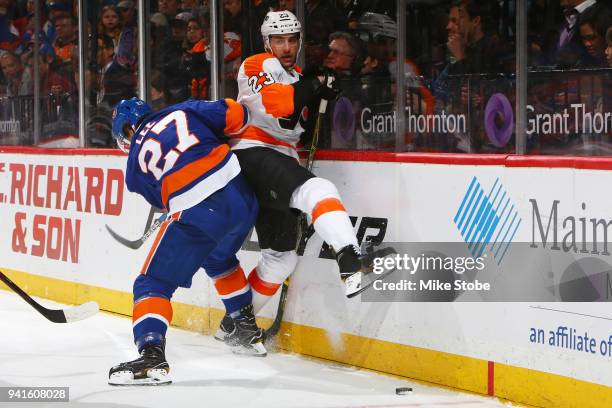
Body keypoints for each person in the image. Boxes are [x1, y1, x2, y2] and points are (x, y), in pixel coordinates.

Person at [217, 10, 391, 340]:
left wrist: (320, 91)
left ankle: (235, 326)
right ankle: (351, 262)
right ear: (267, 42)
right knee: (317, 189)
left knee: (281, 260)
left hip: (277, 163)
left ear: (299, 42)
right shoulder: (258, 65)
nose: (285, 46)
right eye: (278, 40)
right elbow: (281, 105)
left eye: (291, 39)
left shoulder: (297, 75)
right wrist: (314, 86)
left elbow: (297, 109)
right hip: (252, 153)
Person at [108, 97, 267, 386]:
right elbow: (238, 115)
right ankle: (246, 331)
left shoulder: (133, 167)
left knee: (152, 282)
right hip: (242, 196)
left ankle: (151, 355)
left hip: (199, 210)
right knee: (219, 259)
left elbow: (163, 198)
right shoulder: (180, 109)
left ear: (128, 130)